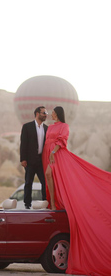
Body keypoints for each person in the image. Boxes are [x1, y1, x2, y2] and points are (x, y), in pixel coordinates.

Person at [42, 106, 111, 275]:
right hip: (47, 152)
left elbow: (62, 140)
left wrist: (53, 152)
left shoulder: (64, 126)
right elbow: (46, 141)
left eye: (53, 112)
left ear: (58, 113)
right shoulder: (50, 127)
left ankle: (53, 203)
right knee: (49, 177)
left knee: (50, 174)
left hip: (57, 155)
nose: (50, 114)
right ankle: (53, 201)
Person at [20, 106, 48, 209]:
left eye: (46, 113)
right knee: (28, 182)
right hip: (30, 160)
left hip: (41, 160)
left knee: (45, 182)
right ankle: (27, 204)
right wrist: (23, 159)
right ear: (37, 114)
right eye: (44, 113)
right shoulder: (27, 127)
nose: (46, 115)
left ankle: (45, 201)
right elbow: (23, 143)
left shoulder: (46, 128)